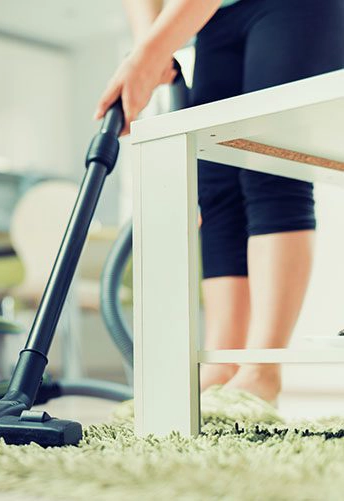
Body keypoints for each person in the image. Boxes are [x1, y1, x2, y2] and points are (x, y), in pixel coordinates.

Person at [96, 0, 344, 402]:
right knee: (215, 182)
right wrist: (150, 45)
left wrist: (149, 54)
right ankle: (221, 364)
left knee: (271, 165)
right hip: (215, 16)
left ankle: (261, 370)